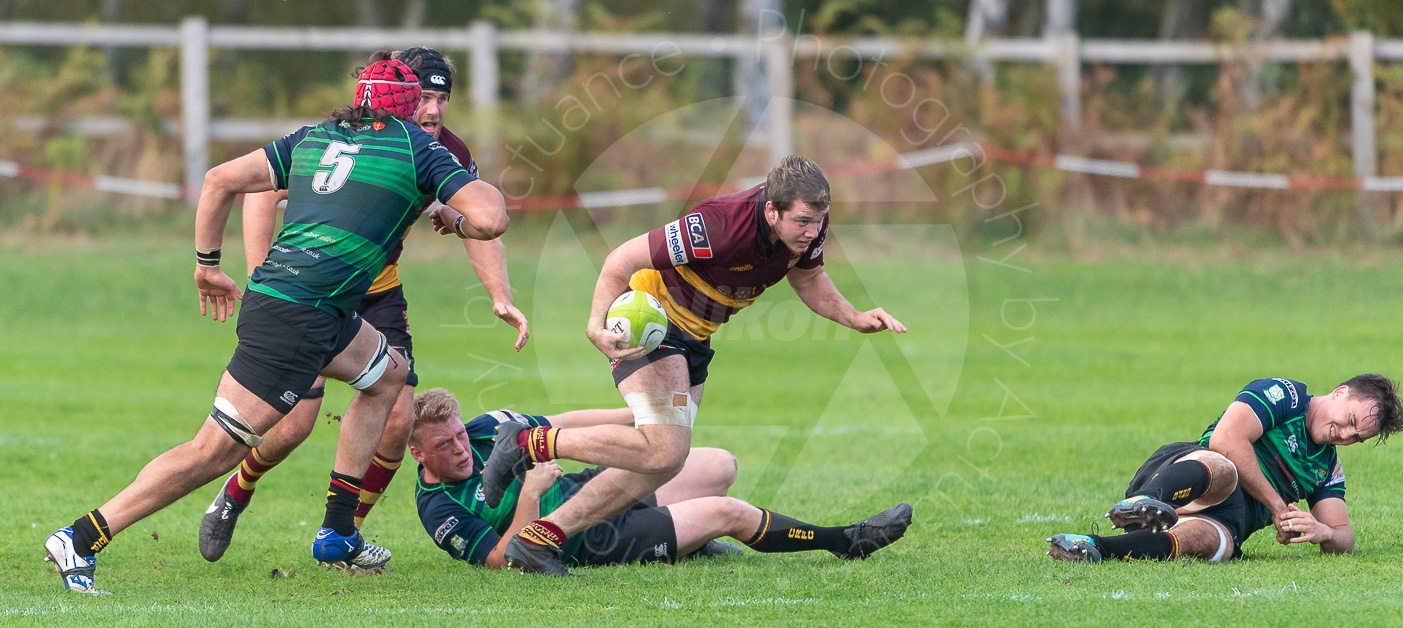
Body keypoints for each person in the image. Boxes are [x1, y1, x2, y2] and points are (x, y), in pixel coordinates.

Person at [42, 58, 507, 594]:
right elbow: (491, 219)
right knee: (212, 452)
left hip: (314, 306)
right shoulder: (415, 147)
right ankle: (81, 538)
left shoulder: (314, 137)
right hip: (297, 316)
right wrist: (461, 215)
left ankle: (338, 531)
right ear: (406, 105)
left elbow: (218, 180)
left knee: (387, 377)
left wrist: (208, 264)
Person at [479, 155, 909, 575]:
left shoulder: (808, 225)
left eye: (818, 222)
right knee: (666, 448)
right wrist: (595, 324)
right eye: (802, 223)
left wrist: (854, 317)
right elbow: (621, 260)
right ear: (772, 210)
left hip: (696, 335)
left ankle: (538, 540)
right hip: (651, 317)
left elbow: (809, 278)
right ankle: (526, 441)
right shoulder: (719, 225)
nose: (813, 232)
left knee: (661, 464)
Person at [198, 47, 528, 563]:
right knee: (292, 425)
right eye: (426, 96)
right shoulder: (349, 135)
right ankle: (235, 493)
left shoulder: (448, 151)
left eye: (444, 98)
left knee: (397, 417)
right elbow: (260, 193)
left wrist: (499, 296)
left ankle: (341, 535)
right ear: (401, 98)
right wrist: (265, 276)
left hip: (377, 292)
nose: (435, 109)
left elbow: (480, 222)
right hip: (306, 294)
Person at [409, 389, 912, 570]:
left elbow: (562, 423)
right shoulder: (437, 507)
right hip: (586, 539)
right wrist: (532, 495)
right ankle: (845, 541)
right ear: (417, 453)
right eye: (445, 446)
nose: (460, 449)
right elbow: (501, 560)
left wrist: (642, 414)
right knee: (727, 513)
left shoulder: (479, 432)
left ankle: (687, 543)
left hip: (589, 489)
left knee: (718, 464)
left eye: (458, 435)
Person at [1047, 374, 1403, 563]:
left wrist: (1321, 532)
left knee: (1212, 545)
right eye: (1349, 421)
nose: (1344, 435)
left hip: (1229, 519)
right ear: (1340, 392)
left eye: (1356, 437)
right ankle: (1145, 503)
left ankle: (1092, 547)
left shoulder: (1327, 468)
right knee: (1224, 468)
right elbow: (1226, 440)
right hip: (1187, 474)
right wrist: (1278, 508)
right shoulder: (1287, 395)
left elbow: (1344, 537)